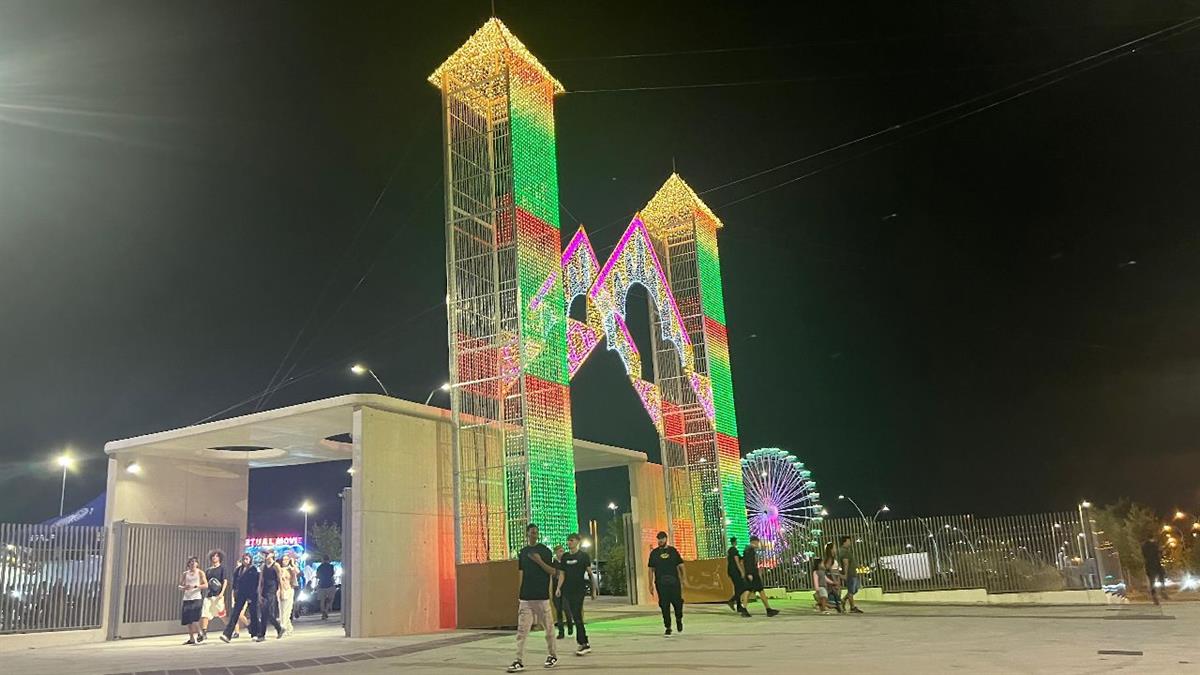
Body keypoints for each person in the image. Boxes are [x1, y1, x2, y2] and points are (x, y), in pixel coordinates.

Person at [507, 523, 558, 673]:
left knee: (548, 629)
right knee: (522, 631)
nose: (534, 535)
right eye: (532, 532)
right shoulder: (523, 552)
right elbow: (521, 572)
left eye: (536, 532)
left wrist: (539, 561)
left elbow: (553, 571)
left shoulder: (545, 551)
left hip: (541, 597)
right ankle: (518, 660)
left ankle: (552, 655)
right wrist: (520, 593)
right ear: (527, 534)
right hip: (526, 598)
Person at [556, 533, 595, 656]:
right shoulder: (565, 557)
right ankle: (584, 642)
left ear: (578, 541)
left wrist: (593, 590)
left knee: (577, 616)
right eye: (568, 540)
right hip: (568, 590)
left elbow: (590, 573)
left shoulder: (583, 556)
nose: (569, 542)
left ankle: (583, 643)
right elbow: (562, 574)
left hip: (579, 590)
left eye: (571, 540)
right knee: (575, 616)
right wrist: (558, 588)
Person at [647, 530, 685, 636]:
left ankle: (679, 619)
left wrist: (683, 579)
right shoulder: (654, 553)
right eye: (659, 539)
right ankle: (668, 626)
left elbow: (681, 565)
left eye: (662, 538)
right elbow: (650, 569)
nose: (660, 541)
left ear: (666, 539)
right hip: (661, 584)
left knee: (678, 603)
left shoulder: (673, 551)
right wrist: (650, 584)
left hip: (674, 583)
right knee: (664, 605)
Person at [221, 553, 260, 643]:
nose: (245, 561)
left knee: (253, 614)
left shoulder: (253, 569)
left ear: (250, 560)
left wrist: (251, 596)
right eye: (244, 559)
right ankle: (227, 634)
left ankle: (255, 633)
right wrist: (234, 592)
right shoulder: (238, 570)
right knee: (235, 613)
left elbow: (255, 583)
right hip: (240, 594)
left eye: (247, 559)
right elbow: (235, 582)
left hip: (251, 594)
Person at [742, 536, 779, 617]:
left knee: (751, 590)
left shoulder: (747, 550)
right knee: (757, 591)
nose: (758, 544)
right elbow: (748, 563)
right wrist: (750, 573)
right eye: (758, 542)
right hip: (752, 573)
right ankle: (768, 610)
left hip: (751, 573)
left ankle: (745, 609)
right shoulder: (750, 551)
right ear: (755, 542)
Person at [178, 556, 207, 645]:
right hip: (187, 598)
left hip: (196, 597)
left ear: (197, 564)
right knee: (188, 620)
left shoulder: (200, 572)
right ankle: (191, 638)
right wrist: (184, 587)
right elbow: (179, 586)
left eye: (194, 562)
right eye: (191, 562)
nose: (193, 563)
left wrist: (196, 586)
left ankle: (200, 633)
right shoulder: (185, 573)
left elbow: (206, 585)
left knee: (194, 618)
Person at [257, 551, 285, 640]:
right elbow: (261, 580)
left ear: (272, 555)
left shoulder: (276, 565)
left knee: (267, 611)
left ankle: (265, 633)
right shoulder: (263, 566)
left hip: (272, 590)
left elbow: (279, 579)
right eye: (264, 554)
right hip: (264, 590)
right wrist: (259, 592)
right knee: (264, 612)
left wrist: (281, 591)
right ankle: (276, 629)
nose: (266, 556)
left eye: (267, 554)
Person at [200, 550, 227, 640]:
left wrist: (222, 593)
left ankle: (229, 629)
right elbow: (205, 582)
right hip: (208, 595)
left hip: (218, 595)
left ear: (220, 558)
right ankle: (204, 633)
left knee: (221, 614)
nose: (214, 557)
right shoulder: (208, 570)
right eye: (213, 556)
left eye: (216, 556)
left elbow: (225, 581)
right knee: (205, 613)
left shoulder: (222, 569)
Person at [551, 545, 574, 640]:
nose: (562, 553)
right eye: (560, 551)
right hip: (556, 589)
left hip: (565, 589)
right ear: (556, 552)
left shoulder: (566, 563)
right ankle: (561, 632)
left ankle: (570, 625)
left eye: (563, 551)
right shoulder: (553, 563)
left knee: (566, 608)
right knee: (559, 611)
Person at [838, 535, 864, 614]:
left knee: (854, 589)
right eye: (849, 541)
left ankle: (843, 600)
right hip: (850, 573)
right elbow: (845, 563)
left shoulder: (846, 550)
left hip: (853, 572)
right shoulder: (844, 551)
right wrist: (845, 574)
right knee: (851, 590)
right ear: (844, 542)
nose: (850, 542)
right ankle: (852, 607)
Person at [725, 536, 749, 617]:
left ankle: (739, 606)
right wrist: (742, 572)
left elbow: (740, 559)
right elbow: (737, 562)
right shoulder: (734, 550)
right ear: (735, 542)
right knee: (742, 587)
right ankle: (731, 600)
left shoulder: (731, 550)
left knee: (737, 588)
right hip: (735, 571)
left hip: (731, 571)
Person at [1141, 538, 1167, 605]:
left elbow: (1144, 555)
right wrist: (1162, 552)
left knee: (1152, 581)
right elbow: (1161, 553)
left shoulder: (1144, 546)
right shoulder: (1156, 545)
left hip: (1148, 565)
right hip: (1156, 563)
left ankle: (1154, 595)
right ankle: (1162, 590)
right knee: (1161, 576)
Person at [811, 545, 834, 615]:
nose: (823, 565)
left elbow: (825, 578)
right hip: (820, 587)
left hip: (824, 586)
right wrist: (817, 588)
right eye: (822, 563)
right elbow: (815, 580)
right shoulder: (816, 572)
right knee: (824, 597)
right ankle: (823, 609)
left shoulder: (822, 571)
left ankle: (818, 606)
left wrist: (832, 582)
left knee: (823, 598)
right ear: (818, 564)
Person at [278, 554, 297, 635]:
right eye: (283, 559)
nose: (285, 561)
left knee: (288, 610)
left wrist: (293, 563)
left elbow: (297, 572)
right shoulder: (279, 569)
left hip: (289, 590)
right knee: (282, 610)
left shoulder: (291, 569)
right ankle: (286, 627)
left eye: (286, 559)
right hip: (281, 590)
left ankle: (285, 627)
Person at [315, 555, 336, 620]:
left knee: (322, 600)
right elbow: (332, 574)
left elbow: (317, 576)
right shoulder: (331, 566)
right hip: (330, 584)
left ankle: (323, 612)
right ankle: (326, 610)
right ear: (328, 559)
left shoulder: (319, 567)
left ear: (322, 559)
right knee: (330, 599)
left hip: (321, 585)